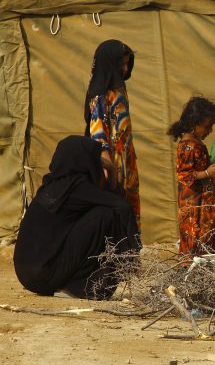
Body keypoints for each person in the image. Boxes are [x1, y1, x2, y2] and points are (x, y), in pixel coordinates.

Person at [14, 136, 140, 300]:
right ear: (85, 161)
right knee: (106, 215)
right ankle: (77, 286)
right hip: (44, 273)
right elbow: (121, 206)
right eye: (95, 158)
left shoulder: (55, 186)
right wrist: (131, 255)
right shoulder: (77, 187)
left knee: (104, 212)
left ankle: (71, 283)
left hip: (31, 274)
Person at [84, 39, 140, 229]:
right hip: (113, 165)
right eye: (121, 64)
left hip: (126, 161)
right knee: (116, 212)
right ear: (110, 64)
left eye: (127, 63)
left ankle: (129, 254)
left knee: (129, 212)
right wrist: (109, 172)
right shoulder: (100, 96)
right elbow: (98, 136)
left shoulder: (119, 91)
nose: (125, 69)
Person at [168, 96, 215, 257]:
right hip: (195, 203)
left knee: (207, 236)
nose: (209, 130)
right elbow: (184, 174)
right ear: (193, 125)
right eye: (207, 126)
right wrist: (206, 173)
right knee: (197, 235)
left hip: (203, 200)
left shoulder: (195, 143)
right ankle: (193, 270)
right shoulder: (188, 146)